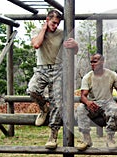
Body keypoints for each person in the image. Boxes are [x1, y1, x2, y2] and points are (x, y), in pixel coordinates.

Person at [28, 9, 79, 149]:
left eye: (57, 23)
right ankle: (44, 108)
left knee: (57, 100)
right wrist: (44, 28)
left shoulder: (62, 33)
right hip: (41, 69)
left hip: (58, 69)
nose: (55, 26)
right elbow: (36, 44)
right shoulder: (37, 31)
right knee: (32, 90)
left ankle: (53, 135)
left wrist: (75, 46)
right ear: (47, 20)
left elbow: (74, 51)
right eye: (53, 23)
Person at [75, 53, 117, 151]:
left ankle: (110, 139)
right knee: (80, 108)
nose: (93, 64)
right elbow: (83, 96)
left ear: (102, 62)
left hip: (108, 103)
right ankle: (86, 138)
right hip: (94, 104)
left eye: (95, 61)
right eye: (91, 62)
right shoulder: (87, 77)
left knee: (114, 109)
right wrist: (88, 102)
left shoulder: (112, 74)